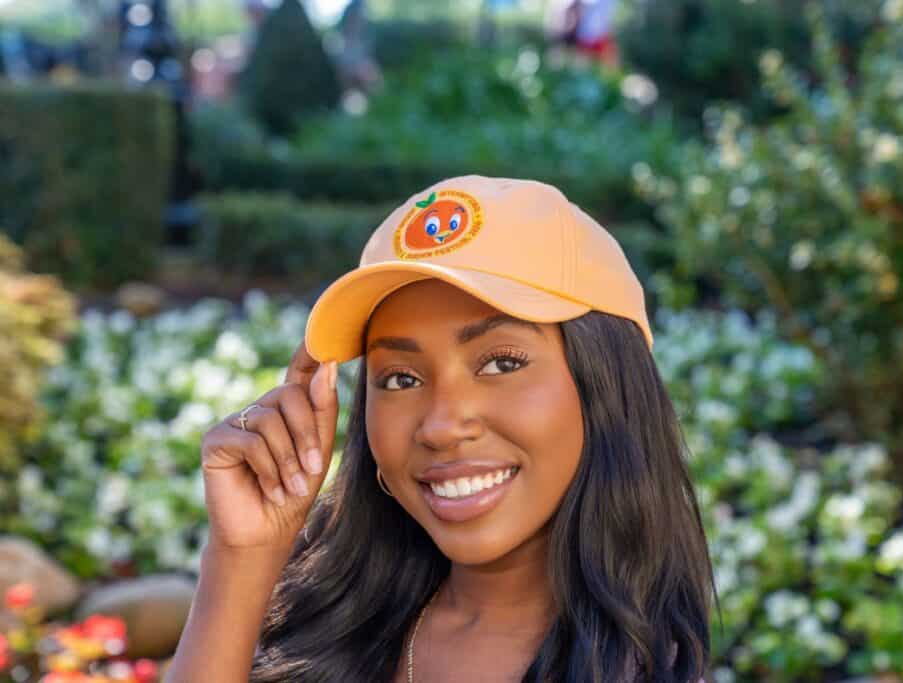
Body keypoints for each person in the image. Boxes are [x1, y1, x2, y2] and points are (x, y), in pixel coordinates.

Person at [166, 175, 716, 682]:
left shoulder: (644, 665)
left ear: (608, 387)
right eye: (401, 378)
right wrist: (240, 558)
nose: (442, 426)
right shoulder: (327, 629)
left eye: (501, 363)